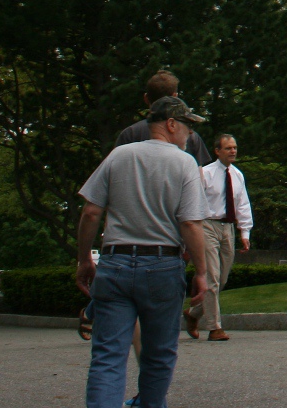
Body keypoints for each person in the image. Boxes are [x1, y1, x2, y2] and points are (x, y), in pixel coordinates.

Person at [77, 96, 211, 408]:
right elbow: (190, 223)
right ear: (171, 124)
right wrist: (202, 273)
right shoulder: (184, 163)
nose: (190, 135)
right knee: (159, 353)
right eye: (188, 127)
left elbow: (90, 213)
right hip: (162, 265)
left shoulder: (119, 155)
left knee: (108, 354)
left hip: (114, 264)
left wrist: (85, 258)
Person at [189, 133, 252, 342]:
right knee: (212, 277)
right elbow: (193, 203)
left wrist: (245, 232)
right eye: (228, 148)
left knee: (222, 279)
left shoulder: (237, 175)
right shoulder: (205, 173)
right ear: (217, 151)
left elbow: (243, 204)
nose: (233, 151)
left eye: (234, 147)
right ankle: (215, 327)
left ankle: (194, 313)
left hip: (228, 229)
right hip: (208, 226)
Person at [115, 71, 212, 166]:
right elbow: (199, 178)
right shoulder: (191, 137)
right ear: (175, 96)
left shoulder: (129, 134)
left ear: (145, 98)